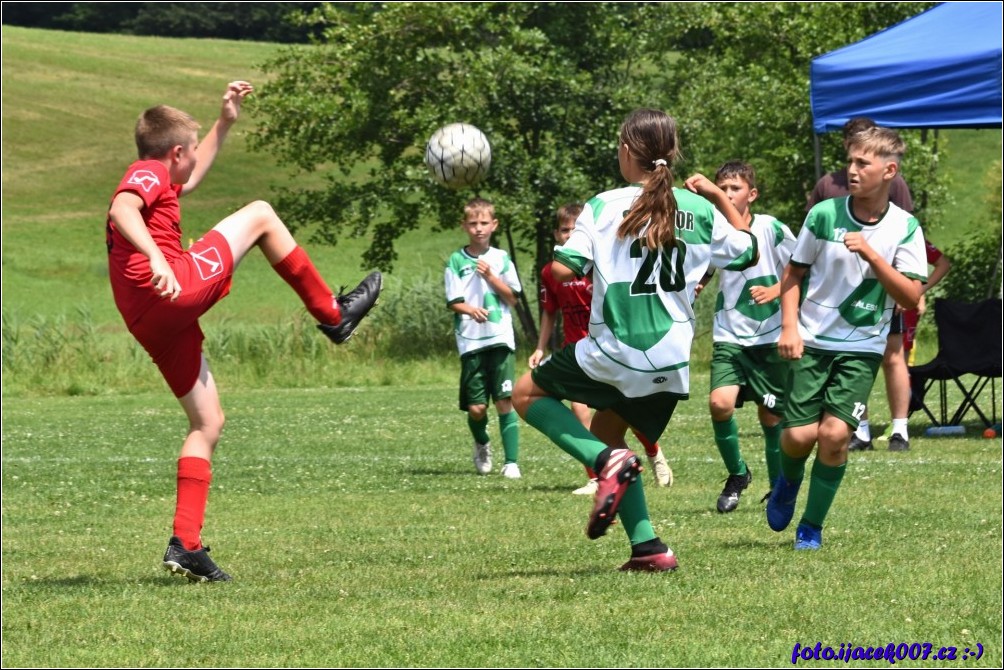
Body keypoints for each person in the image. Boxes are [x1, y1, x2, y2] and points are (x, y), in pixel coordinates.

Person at [105, 81, 383, 582]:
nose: (192, 165)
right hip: (169, 286)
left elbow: (182, 179)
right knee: (260, 214)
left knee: (207, 422)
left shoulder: (162, 176)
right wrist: (154, 259)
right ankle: (333, 315)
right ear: (173, 153)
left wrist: (225, 121)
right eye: (190, 153)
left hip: (150, 318)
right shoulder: (146, 172)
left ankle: (185, 544)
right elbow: (122, 208)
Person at [512, 108, 759, 572]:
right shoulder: (700, 208)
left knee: (525, 393)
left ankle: (603, 462)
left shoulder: (604, 205)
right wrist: (716, 199)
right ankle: (648, 547)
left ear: (628, 151)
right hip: (672, 361)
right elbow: (748, 250)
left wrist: (556, 261)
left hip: (617, 348)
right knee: (610, 429)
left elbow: (564, 272)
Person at [769, 126, 927, 550]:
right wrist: (789, 327)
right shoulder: (823, 215)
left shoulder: (905, 227)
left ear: (889, 170)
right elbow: (793, 273)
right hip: (812, 341)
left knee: (836, 435)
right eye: (850, 162)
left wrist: (874, 255)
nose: (851, 171)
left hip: (861, 348)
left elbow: (911, 296)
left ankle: (811, 526)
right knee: (799, 437)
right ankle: (786, 481)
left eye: (863, 163)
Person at [529, 203, 673, 496]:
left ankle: (654, 452)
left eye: (574, 230)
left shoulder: (600, 264)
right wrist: (540, 348)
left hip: (607, 348)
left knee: (623, 414)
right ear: (557, 234)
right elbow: (549, 313)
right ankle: (597, 475)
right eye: (564, 230)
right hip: (575, 349)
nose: (569, 235)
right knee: (579, 411)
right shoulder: (551, 272)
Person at [808, 117, 921, 452]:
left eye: (865, 156)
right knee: (849, 355)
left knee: (893, 354)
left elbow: (905, 232)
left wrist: (905, 285)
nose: (856, 166)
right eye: (852, 150)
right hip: (836, 294)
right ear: (845, 145)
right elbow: (810, 241)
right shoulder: (827, 185)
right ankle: (861, 429)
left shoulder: (892, 182)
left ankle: (900, 428)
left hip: (881, 288)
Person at [701, 161, 796, 513]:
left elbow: (802, 267)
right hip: (729, 334)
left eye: (734, 188)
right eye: (722, 188)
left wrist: (775, 290)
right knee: (719, 403)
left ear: (751, 194)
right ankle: (738, 474)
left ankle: (777, 487)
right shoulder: (714, 230)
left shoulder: (771, 228)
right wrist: (697, 284)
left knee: (771, 417)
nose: (727, 195)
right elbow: (707, 265)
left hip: (770, 336)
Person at [444, 197, 524, 479]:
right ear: (464, 226)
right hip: (470, 340)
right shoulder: (456, 260)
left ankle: (511, 463)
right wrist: (470, 309)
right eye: (473, 223)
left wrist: (491, 277)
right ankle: (482, 443)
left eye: (484, 223)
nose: (479, 228)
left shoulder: (501, 259)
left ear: (494, 225)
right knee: (477, 408)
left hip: (500, 338)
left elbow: (513, 299)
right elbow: (453, 301)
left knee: (505, 400)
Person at [849, 239, 951, 451]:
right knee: (855, 361)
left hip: (892, 304)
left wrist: (915, 292)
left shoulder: (904, 227)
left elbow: (942, 263)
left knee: (894, 360)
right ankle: (860, 432)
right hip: (854, 301)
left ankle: (899, 432)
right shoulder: (846, 221)